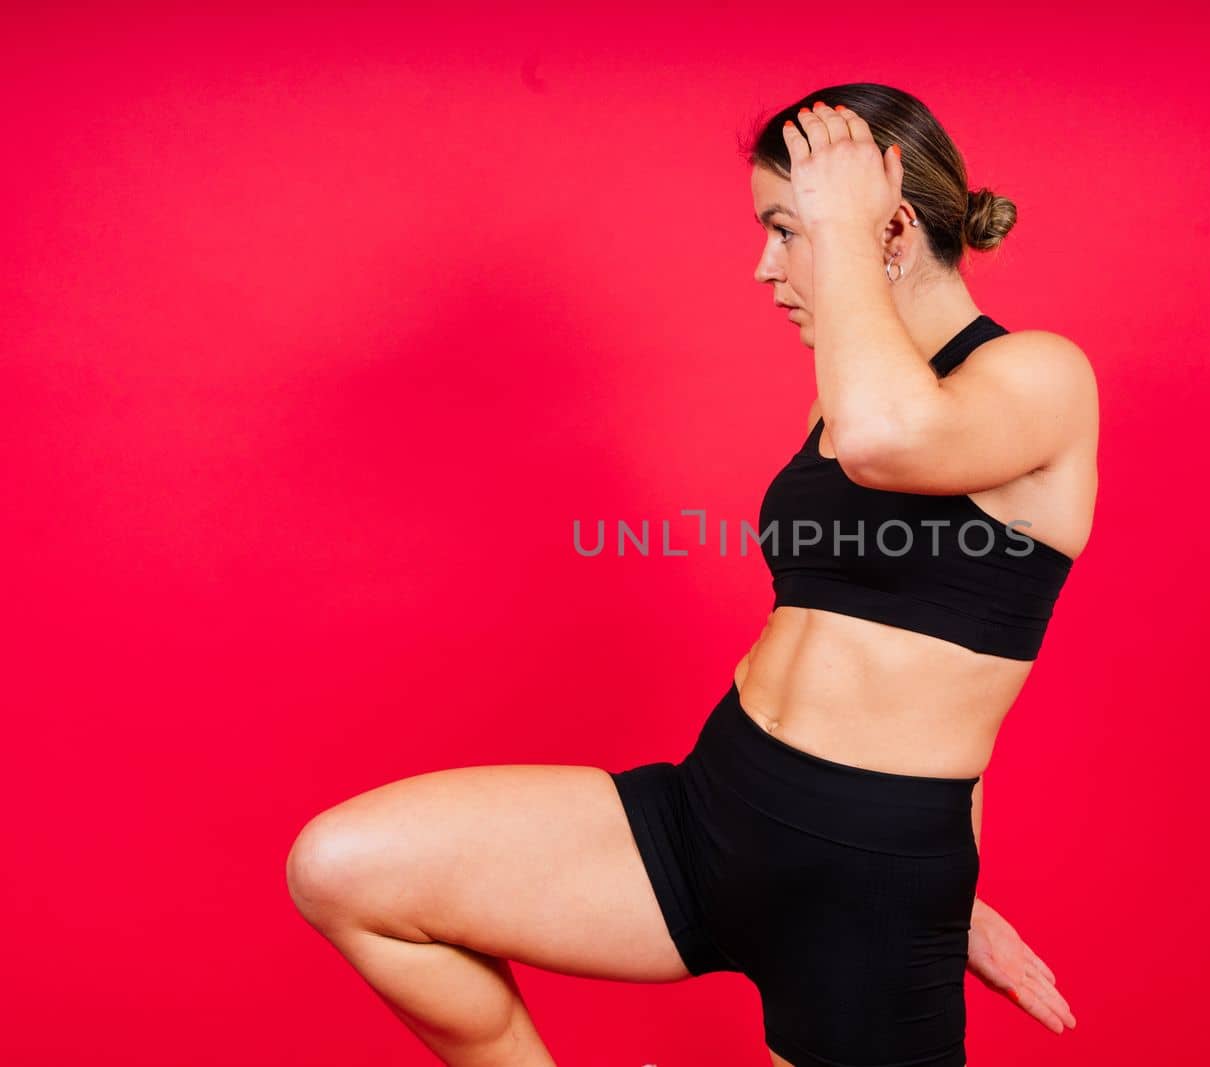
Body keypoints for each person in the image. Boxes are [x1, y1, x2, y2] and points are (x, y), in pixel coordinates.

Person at [286, 81, 1096, 1067]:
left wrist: (840, 229)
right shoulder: (840, 403)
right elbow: (902, 648)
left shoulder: (1037, 377)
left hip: (864, 887)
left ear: (884, 226)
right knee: (343, 870)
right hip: (713, 813)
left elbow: (893, 449)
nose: (765, 266)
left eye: (784, 228)